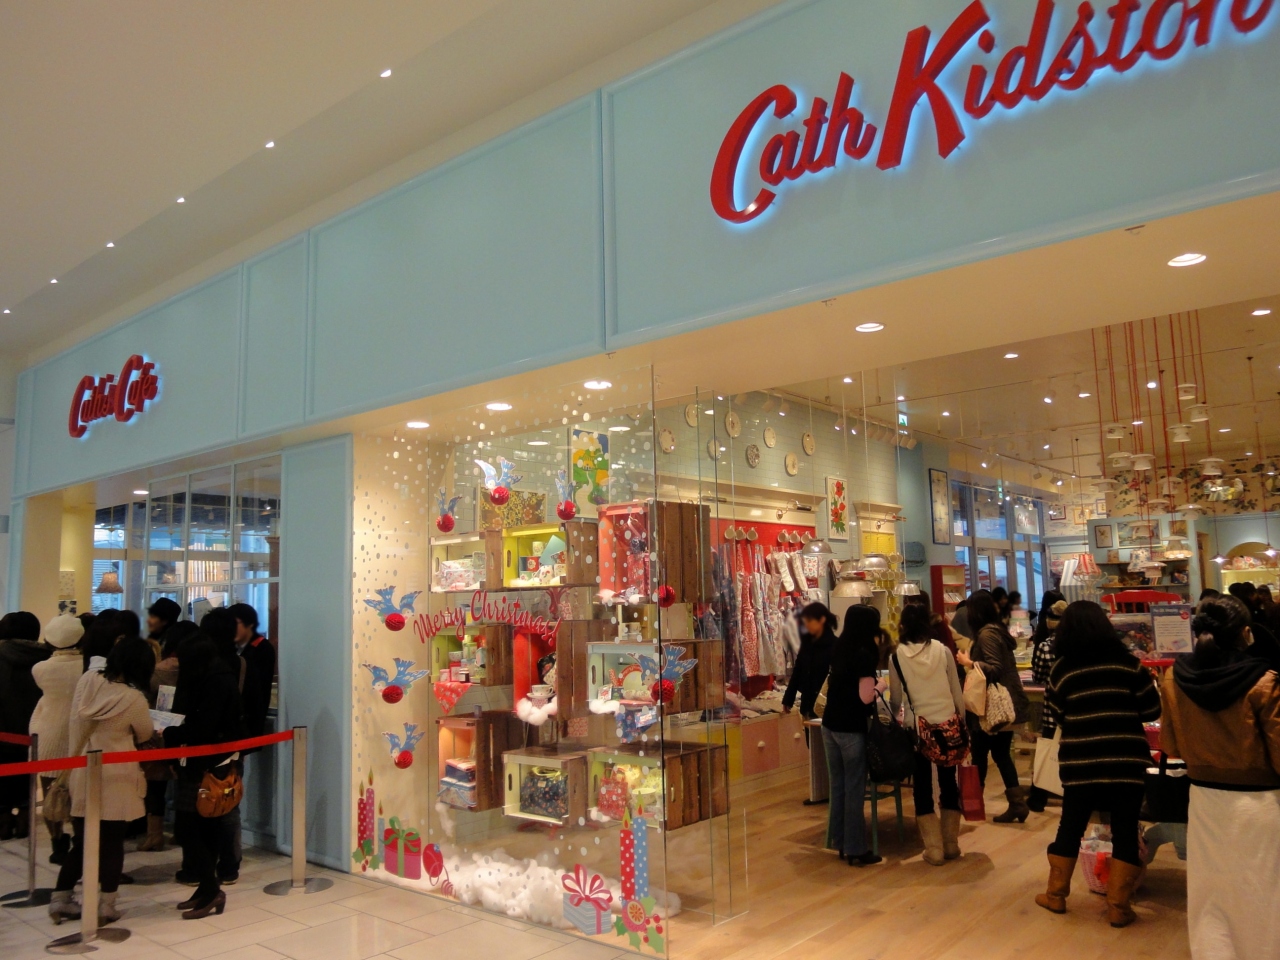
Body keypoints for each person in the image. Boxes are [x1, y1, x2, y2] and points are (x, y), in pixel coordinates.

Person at [1160, 596, 1280, 959]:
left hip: (1205, 800)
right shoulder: (1264, 681)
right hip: (1259, 803)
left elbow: (1170, 745)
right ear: (1246, 633)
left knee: (1209, 894)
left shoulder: (1174, 677)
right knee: (1262, 895)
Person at [1034, 601, 1161, 927]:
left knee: (1070, 826)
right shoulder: (1130, 665)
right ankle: (1119, 906)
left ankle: (1056, 895)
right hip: (1126, 761)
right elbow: (1151, 710)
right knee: (1125, 829)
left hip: (1080, 761)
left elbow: (1057, 715)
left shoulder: (1062, 670)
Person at [48, 636, 155, 926]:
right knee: (112, 842)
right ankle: (106, 905)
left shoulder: (88, 681)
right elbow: (145, 732)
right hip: (117, 775)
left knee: (83, 842)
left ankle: (60, 898)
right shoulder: (133, 698)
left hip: (83, 769)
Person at [165, 632, 244, 919]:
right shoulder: (220, 676)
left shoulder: (212, 683)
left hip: (205, 764)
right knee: (205, 827)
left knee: (188, 827)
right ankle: (207, 888)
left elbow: (203, 728)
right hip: (214, 760)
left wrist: (171, 733)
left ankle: (210, 889)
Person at [890, 603, 967, 865]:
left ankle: (934, 849)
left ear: (902, 625)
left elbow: (896, 699)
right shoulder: (942, 651)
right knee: (948, 782)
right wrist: (962, 723)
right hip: (948, 724)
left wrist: (898, 716)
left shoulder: (896, 656)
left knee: (922, 786)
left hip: (918, 729)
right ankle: (951, 843)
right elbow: (956, 691)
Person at [956, 590, 1031, 823]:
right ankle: (1016, 804)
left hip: (990, 708)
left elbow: (994, 668)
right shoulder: (996, 631)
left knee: (980, 754)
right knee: (1000, 754)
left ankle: (973, 805)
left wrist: (969, 663)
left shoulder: (987, 634)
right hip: (1001, 705)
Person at [822, 604, 885, 866]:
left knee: (838, 786)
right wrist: (882, 686)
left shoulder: (839, 647)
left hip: (830, 724)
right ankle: (856, 849)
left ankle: (839, 841)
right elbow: (866, 697)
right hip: (850, 727)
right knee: (854, 789)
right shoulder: (864, 654)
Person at [199, 607, 256, 885]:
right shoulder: (238, 661)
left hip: (210, 743)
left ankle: (211, 866)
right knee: (229, 803)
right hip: (233, 743)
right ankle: (229, 865)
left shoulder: (207, 666)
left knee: (210, 802)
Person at [29, 615, 86, 864]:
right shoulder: (88, 667)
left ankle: (57, 844)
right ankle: (81, 842)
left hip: (47, 732)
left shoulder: (40, 668)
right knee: (80, 794)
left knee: (50, 793)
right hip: (79, 733)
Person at [139, 621, 197, 853]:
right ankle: (182, 831)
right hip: (186, 732)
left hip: (158, 732)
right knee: (186, 783)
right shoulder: (196, 668)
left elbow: (144, 699)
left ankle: (154, 835)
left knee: (155, 786)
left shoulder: (157, 670)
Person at [0, 610, 47, 840]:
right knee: (27, 772)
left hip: (3, 727)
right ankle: (24, 820)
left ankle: (3, 821)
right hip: (34, 727)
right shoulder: (46, 657)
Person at [1027, 596, 1067, 813]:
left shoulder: (1045, 646)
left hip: (1053, 706)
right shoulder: (1079, 645)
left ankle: (1038, 798)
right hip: (1075, 709)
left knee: (1048, 750)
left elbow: (1039, 676)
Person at [782, 603, 836, 719]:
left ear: (822, 620)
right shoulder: (807, 644)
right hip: (807, 705)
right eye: (805, 621)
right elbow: (798, 671)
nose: (806, 625)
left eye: (809, 621)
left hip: (828, 708)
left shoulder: (835, 645)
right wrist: (788, 698)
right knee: (808, 730)